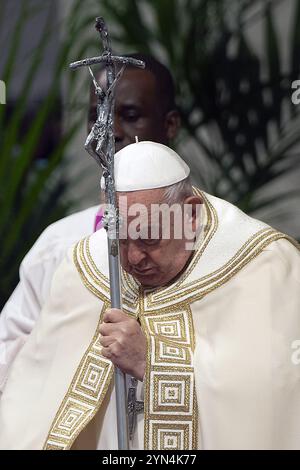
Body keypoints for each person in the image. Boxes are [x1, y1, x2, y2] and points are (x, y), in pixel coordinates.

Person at [0, 141, 299, 450]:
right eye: (120, 239)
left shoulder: (264, 263)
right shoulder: (89, 262)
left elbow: (277, 389)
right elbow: (35, 393)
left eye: (149, 237)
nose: (132, 259)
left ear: (191, 214)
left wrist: (154, 363)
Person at [0, 54, 181, 394]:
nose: (108, 130)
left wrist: (153, 362)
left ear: (170, 125)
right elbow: (8, 349)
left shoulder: (220, 239)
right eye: (96, 115)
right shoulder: (59, 243)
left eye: (129, 115)